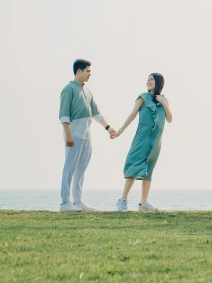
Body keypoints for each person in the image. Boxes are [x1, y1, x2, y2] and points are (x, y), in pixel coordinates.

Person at [58, 59, 117, 212]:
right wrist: (68, 135)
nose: (90, 74)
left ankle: (77, 201)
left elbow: (96, 112)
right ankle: (65, 203)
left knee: (81, 170)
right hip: (74, 135)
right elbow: (64, 115)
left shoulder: (88, 91)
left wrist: (108, 128)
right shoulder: (68, 89)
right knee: (69, 168)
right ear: (79, 71)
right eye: (88, 71)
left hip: (87, 137)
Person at [113, 73, 173, 212]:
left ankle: (143, 202)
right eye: (148, 79)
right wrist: (120, 131)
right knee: (133, 167)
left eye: (151, 79)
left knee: (149, 171)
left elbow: (170, 118)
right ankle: (122, 200)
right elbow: (132, 114)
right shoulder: (142, 97)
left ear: (159, 83)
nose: (148, 81)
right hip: (142, 138)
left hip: (156, 140)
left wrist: (163, 103)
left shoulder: (164, 100)